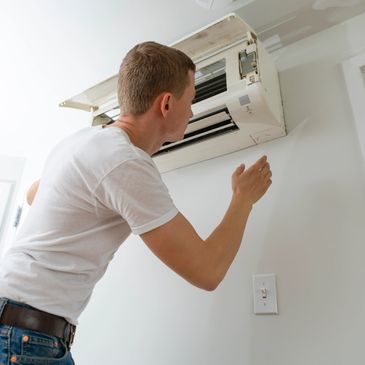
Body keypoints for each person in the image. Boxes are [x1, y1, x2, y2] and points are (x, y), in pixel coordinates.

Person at [0, 41, 272, 364]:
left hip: (17, 328)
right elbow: (207, 270)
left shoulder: (81, 142)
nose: (193, 111)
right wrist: (243, 199)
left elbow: (35, 194)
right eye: (192, 100)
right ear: (167, 104)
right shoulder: (125, 161)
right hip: (27, 339)